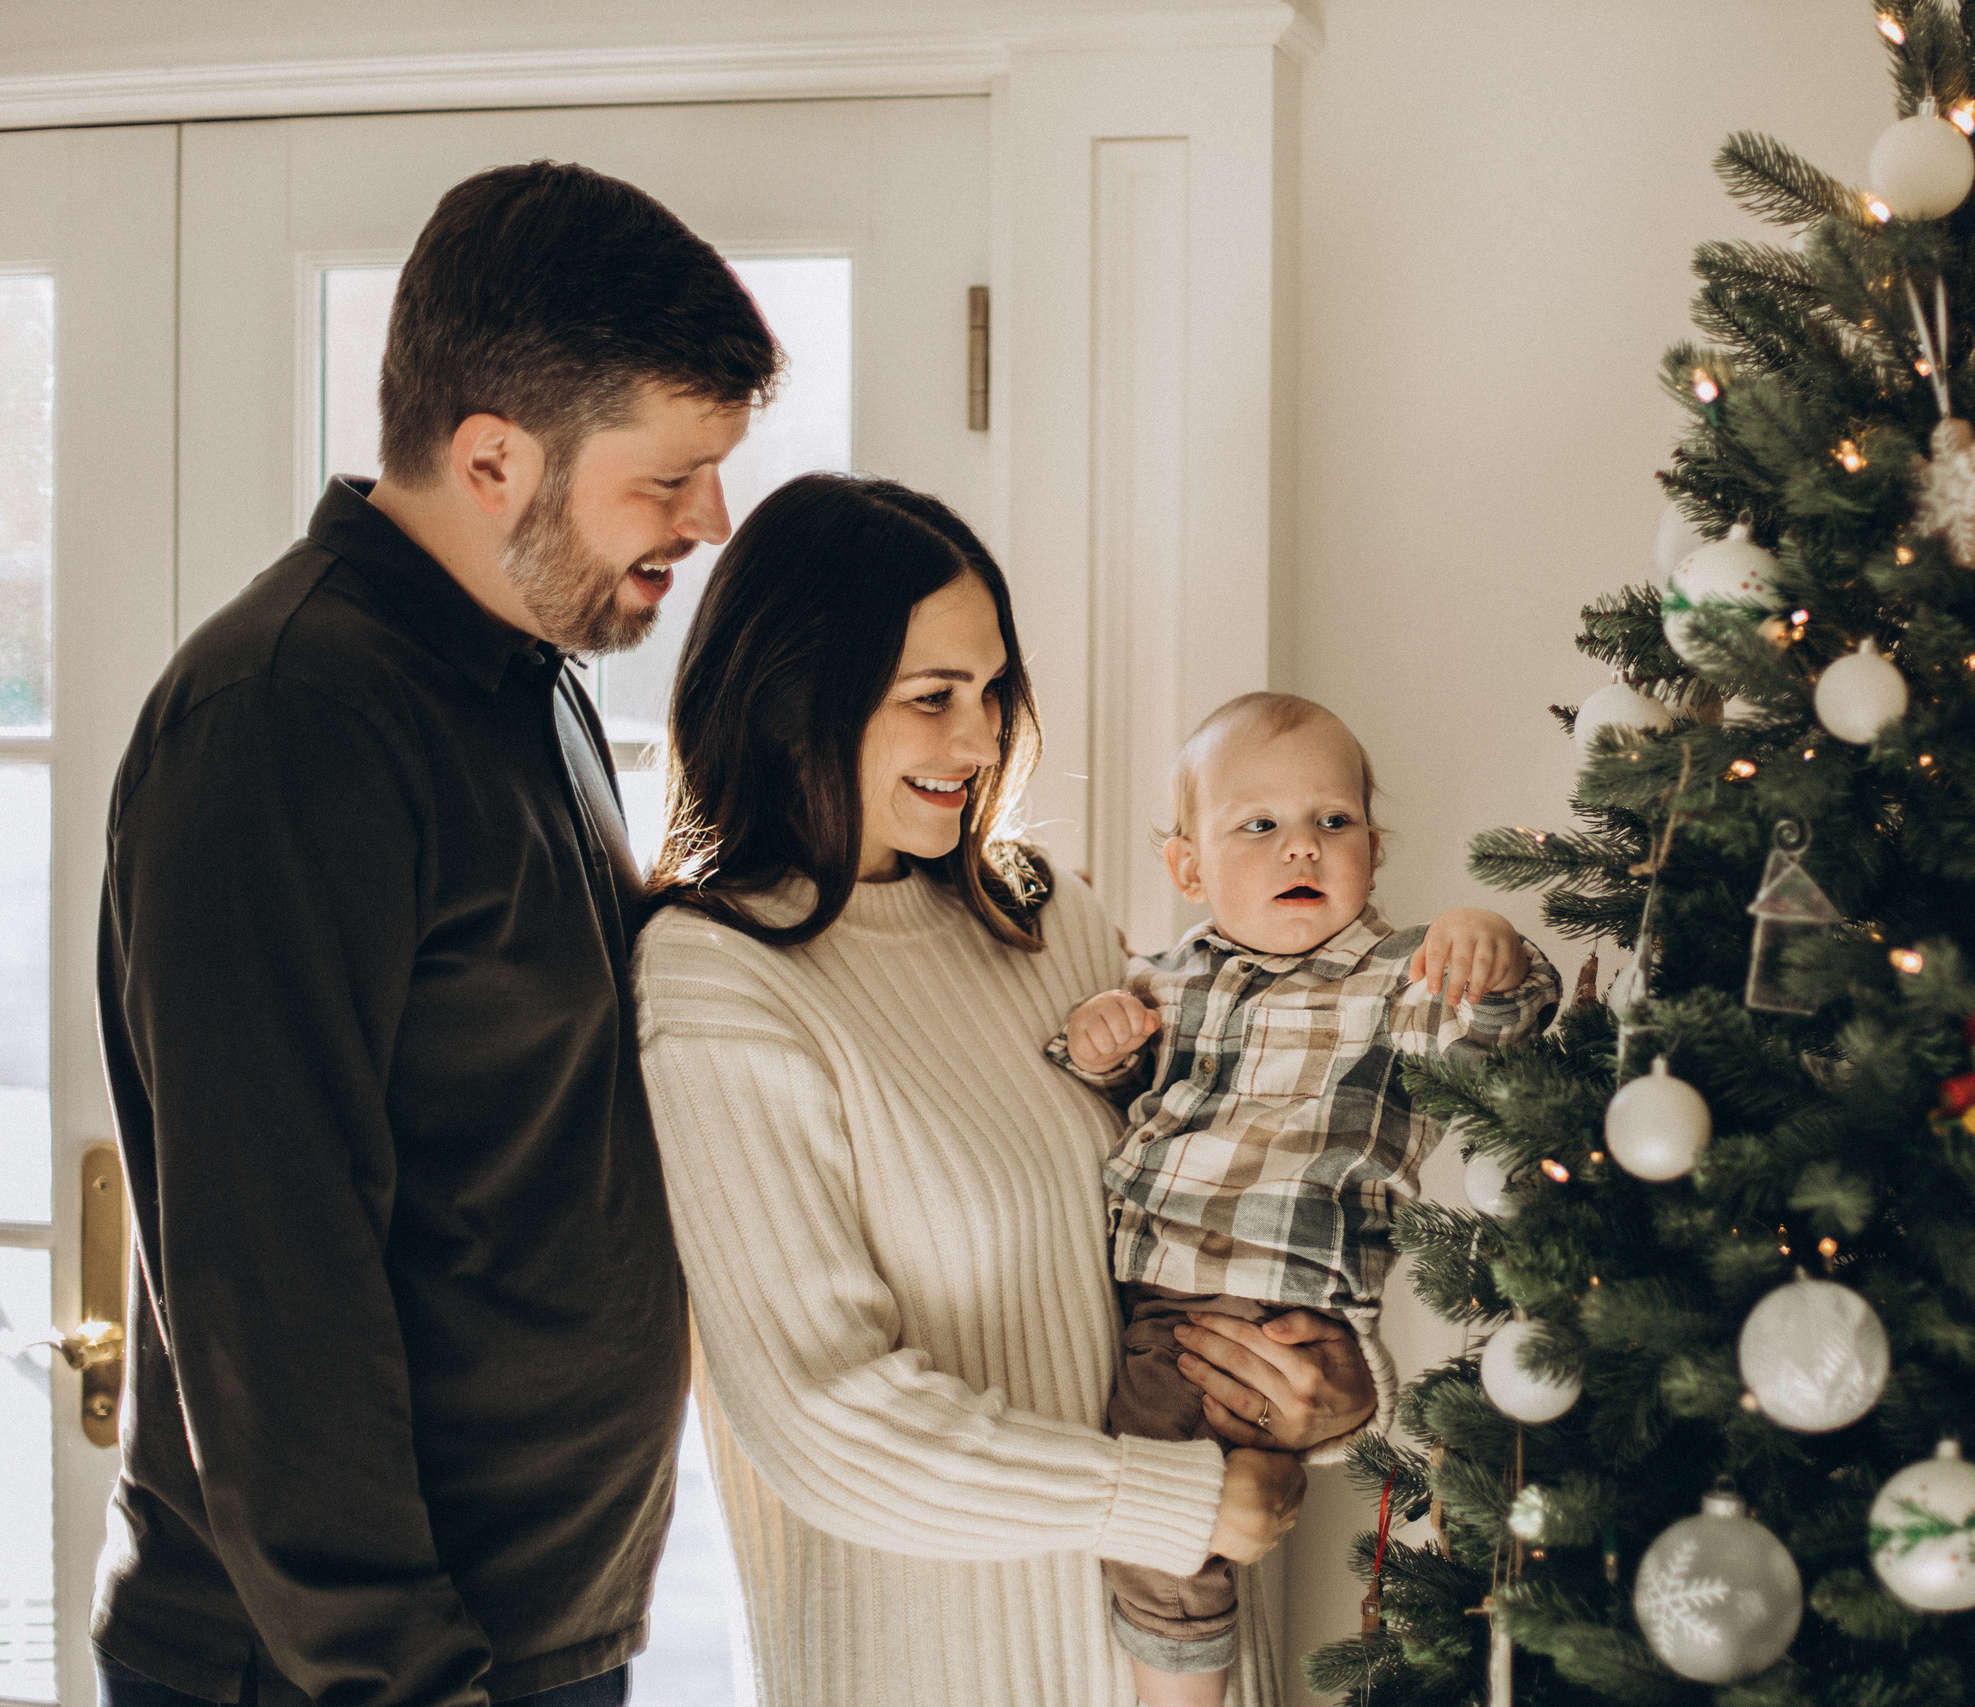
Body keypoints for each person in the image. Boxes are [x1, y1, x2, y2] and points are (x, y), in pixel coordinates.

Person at [93, 162, 778, 1707]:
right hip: (345, 1671)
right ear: (492, 458)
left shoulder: (532, 680)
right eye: (667, 477)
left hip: (534, 1633)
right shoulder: (284, 722)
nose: (710, 519)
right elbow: (272, 1280)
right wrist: (409, 1678)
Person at [632, 473, 1377, 1707]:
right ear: (795, 703)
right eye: (934, 698)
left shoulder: (1045, 915)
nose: (982, 742)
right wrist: (1165, 1497)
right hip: (934, 1670)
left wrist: (1331, 1385)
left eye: (991, 693)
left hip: (1176, 1666)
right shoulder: (719, 979)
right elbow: (826, 1423)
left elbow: (1240, 1183)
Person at [1049, 692, 1561, 1705]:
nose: (1301, 851)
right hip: (1162, 1308)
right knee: (1176, 1525)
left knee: (1168, 1524)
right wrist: (1102, 1040)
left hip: (1300, 1309)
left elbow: (1509, 1026)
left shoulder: (1400, 977)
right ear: (1186, 867)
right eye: (1259, 826)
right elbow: (1113, 1100)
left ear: (1374, 848)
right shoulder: (1163, 981)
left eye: (1333, 822)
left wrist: (1491, 946)